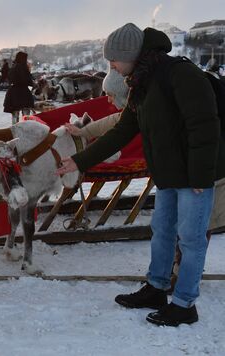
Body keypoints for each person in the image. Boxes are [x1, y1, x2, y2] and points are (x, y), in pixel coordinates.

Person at [56, 23, 225, 327]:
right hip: (169, 174)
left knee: (191, 239)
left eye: (113, 61)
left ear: (131, 54)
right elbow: (122, 130)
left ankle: (185, 304)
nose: (112, 67)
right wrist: (80, 161)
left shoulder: (181, 74)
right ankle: (156, 288)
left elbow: (205, 126)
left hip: (197, 176)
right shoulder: (140, 83)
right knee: (161, 232)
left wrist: (202, 176)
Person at [65, 68, 129, 139]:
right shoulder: (132, 111)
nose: (108, 100)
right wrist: (82, 132)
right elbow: (112, 121)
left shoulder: (140, 111)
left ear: (121, 93)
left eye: (110, 95)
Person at [3, 51, 34, 124]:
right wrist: (32, 83)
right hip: (23, 92)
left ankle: (14, 130)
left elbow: (9, 78)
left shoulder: (14, 66)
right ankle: (26, 129)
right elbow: (26, 80)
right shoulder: (22, 67)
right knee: (26, 115)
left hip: (13, 92)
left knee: (15, 114)